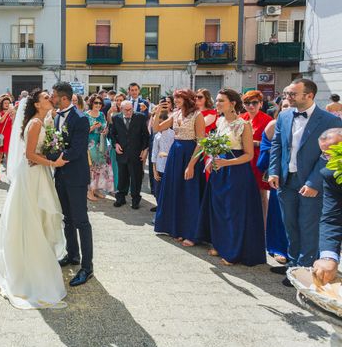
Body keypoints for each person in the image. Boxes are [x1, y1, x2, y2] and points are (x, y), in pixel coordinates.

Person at [0, 89, 69, 309]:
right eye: (46, 98)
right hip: (33, 175)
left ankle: (38, 260)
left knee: (38, 217)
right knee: (33, 217)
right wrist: (53, 163)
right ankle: (32, 268)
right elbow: (29, 155)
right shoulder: (35, 123)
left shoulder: (42, 120)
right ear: (36, 104)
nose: (50, 99)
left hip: (38, 172)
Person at [269, 78, 342, 285]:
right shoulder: (283, 116)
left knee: (308, 226)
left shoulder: (331, 120)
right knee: (290, 225)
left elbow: (330, 155)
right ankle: (293, 265)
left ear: (309, 95)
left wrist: (314, 182)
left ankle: (306, 270)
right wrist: (274, 171)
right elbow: (277, 145)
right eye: (286, 94)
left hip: (311, 183)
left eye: (292, 94)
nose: (287, 97)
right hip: (285, 180)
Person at [195, 89, 266, 266]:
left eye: (221, 101)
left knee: (233, 212)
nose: (217, 104)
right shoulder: (219, 121)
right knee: (219, 209)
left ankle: (233, 251)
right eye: (217, 100)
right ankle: (220, 244)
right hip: (219, 169)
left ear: (232, 103)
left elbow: (249, 155)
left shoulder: (244, 125)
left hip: (236, 172)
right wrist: (212, 156)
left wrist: (227, 163)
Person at [51, 81, 94, 287]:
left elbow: (77, 149)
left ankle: (87, 267)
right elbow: (55, 142)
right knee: (67, 219)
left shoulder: (81, 119)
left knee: (81, 221)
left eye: (54, 96)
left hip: (76, 177)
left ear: (64, 98)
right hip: (61, 176)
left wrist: (56, 158)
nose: (52, 98)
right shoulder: (57, 117)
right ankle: (73, 255)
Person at [153, 89, 205, 247]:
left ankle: (191, 233)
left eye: (178, 98)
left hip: (190, 154)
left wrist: (191, 165)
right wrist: (157, 112)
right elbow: (157, 128)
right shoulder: (175, 114)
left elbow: (201, 142)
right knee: (176, 192)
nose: (175, 100)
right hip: (175, 154)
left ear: (187, 99)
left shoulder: (197, 115)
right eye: (175, 98)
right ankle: (178, 229)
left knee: (189, 194)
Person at [257, 98, 291, 265]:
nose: (288, 108)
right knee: (279, 213)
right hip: (280, 176)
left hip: (302, 177)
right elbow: (264, 149)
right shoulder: (274, 125)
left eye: (290, 105)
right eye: (284, 106)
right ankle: (278, 249)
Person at [313, 128, 342, 285]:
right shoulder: (331, 174)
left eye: (336, 152)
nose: (331, 160)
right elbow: (332, 218)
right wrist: (328, 257)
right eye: (326, 155)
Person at [240, 90, 273, 226]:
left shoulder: (267, 120)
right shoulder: (241, 118)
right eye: (247, 103)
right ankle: (247, 223)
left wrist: (255, 143)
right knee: (243, 192)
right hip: (243, 159)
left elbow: (272, 143)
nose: (251, 106)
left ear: (260, 103)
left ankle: (264, 225)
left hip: (259, 160)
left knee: (261, 194)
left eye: (254, 103)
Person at [109, 100, 150, 209]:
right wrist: (115, 144)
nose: (128, 112)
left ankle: (135, 199)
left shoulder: (140, 117)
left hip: (136, 153)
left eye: (130, 109)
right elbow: (112, 134)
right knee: (122, 177)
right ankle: (121, 198)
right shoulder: (116, 118)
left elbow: (146, 135)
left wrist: (144, 149)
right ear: (121, 109)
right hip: (122, 153)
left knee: (136, 178)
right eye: (126, 110)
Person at [86, 94, 114, 201]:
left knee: (102, 167)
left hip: (101, 144)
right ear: (91, 103)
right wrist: (93, 127)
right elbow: (83, 131)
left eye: (100, 103)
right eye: (95, 103)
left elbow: (105, 127)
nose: (98, 105)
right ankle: (89, 191)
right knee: (92, 168)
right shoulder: (86, 115)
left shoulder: (102, 115)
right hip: (91, 145)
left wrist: (105, 131)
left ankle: (97, 189)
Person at [107, 92, 126, 193]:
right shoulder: (112, 111)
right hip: (114, 140)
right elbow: (110, 123)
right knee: (114, 164)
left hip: (125, 141)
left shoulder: (128, 110)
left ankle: (124, 186)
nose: (119, 102)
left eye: (120, 100)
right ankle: (115, 187)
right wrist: (110, 111)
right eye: (117, 100)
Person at [0, 94, 15, 182]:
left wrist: (12, 115)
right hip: (1, 136)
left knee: (9, 156)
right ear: (2, 104)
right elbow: (1, 120)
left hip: (9, 136)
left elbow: (14, 124)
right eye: (5, 103)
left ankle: (9, 173)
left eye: (8, 103)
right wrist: (7, 112)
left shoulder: (12, 113)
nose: (6, 104)